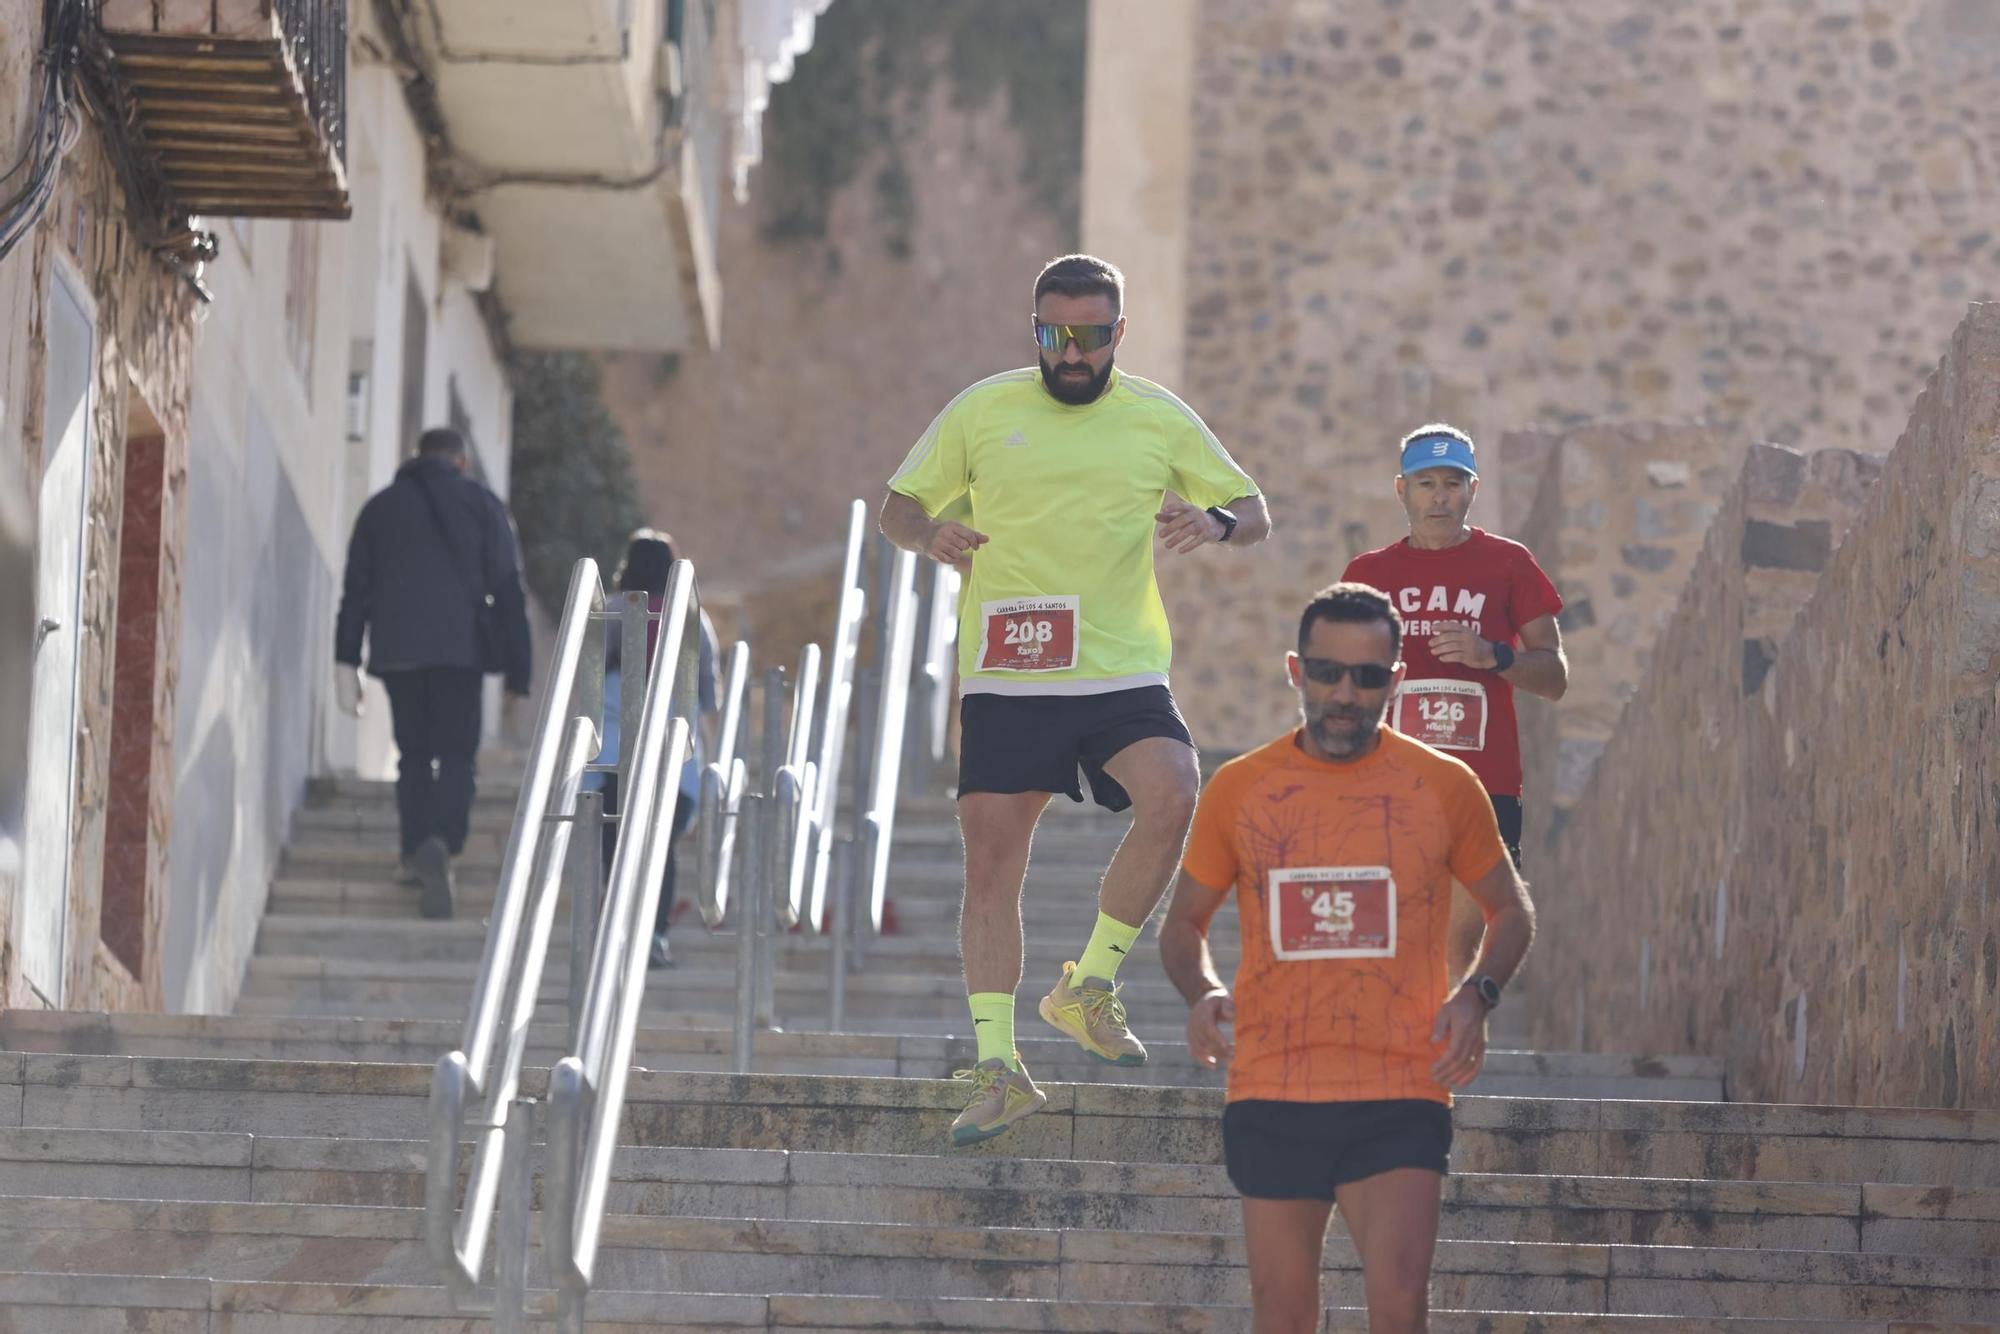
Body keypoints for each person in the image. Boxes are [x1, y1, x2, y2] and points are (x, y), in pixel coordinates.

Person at [878, 253, 1271, 1147]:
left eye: (1090, 337)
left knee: (1175, 790)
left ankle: (1087, 984)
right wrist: (929, 530)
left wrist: (1214, 522)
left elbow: (1254, 510)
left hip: (1120, 667)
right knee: (991, 866)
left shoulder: (1157, 417)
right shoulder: (984, 408)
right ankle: (998, 1067)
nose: (1071, 353)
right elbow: (897, 507)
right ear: (1037, 332)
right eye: (1054, 335)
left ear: (1117, 336)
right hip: (1011, 667)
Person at [1161, 582, 1535, 1334]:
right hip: (1273, 1085)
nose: (1345, 694)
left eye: (1368, 678)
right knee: (1284, 1315)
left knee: (1398, 1308)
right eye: (1329, 673)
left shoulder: (1445, 786)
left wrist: (1478, 994)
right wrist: (1201, 993)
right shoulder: (1240, 791)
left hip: (1400, 1083)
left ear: (1396, 680)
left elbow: (1511, 911)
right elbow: (1182, 925)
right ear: (1296, 672)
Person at [1342, 423, 1564, 973]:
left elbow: (1555, 675)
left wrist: (1496, 656)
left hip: (1484, 783)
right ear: (1402, 489)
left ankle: (1440, 1052)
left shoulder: (1510, 564)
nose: (1439, 496)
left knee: (1454, 941)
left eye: (1451, 483)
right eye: (1425, 483)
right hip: (1388, 779)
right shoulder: (1367, 575)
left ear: (1472, 490)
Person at [333, 426, 532, 920]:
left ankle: (414, 848)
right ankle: (444, 842)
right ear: (460, 461)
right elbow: (509, 588)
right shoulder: (483, 505)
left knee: (414, 754)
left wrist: (345, 659)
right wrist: (518, 671)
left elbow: (355, 591)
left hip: (398, 651)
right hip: (459, 652)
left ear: (416, 457)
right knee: (458, 755)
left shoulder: (379, 509)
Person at [589, 530, 719, 968]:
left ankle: (616, 932)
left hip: (613, 757)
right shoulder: (692, 619)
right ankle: (655, 935)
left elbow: (589, 683)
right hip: (673, 760)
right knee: (659, 848)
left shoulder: (609, 612)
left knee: (615, 842)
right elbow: (708, 698)